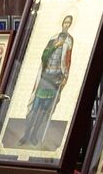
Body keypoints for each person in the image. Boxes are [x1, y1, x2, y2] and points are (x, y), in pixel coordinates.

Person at [20, 15, 74, 147]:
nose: (66, 25)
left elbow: (67, 61)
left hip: (55, 79)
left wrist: (65, 77)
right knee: (35, 108)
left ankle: (34, 136)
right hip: (45, 78)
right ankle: (26, 135)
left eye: (69, 23)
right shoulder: (53, 39)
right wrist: (55, 46)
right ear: (62, 23)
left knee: (44, 111)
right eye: (65, 22)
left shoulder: (69, 41)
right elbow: (44, 57)